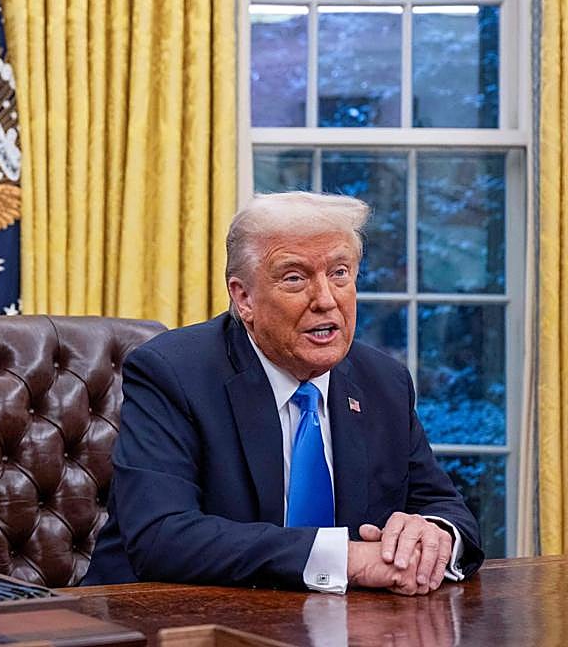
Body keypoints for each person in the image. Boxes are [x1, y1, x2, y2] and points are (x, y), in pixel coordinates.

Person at [83, 191, 484, 595]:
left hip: (342, 620)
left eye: (340, 273)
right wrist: (347, 559)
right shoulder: (172, 373)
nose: (326, 300)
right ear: (244, 297)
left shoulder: (383, 382)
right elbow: (161, 536)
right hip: (162, 615)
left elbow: (449, 511)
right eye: (295, 278)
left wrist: (432, 537)